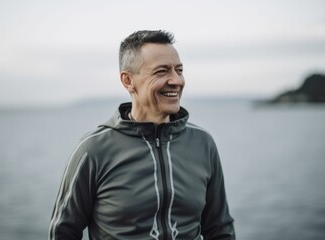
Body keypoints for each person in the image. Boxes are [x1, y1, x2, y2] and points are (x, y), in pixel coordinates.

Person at [49, 30, 235, 240]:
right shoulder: (93, 150)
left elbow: (220, 228)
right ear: (128, 81)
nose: (176, 81)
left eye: (179, 70)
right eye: (162, 71)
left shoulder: (203, 144)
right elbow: (62, 233)